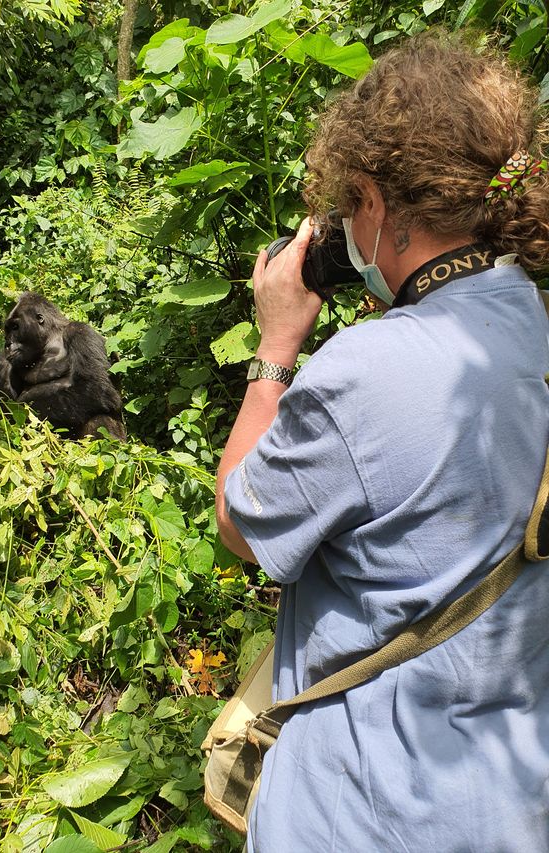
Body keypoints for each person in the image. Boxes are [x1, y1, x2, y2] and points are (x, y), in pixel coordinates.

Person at [215, 33, 549, 852]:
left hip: (367, 808)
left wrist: (277, 349)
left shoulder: (365, 369)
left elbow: (240, 526)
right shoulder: (528, 315)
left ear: (371, 198)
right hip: (507, 800)